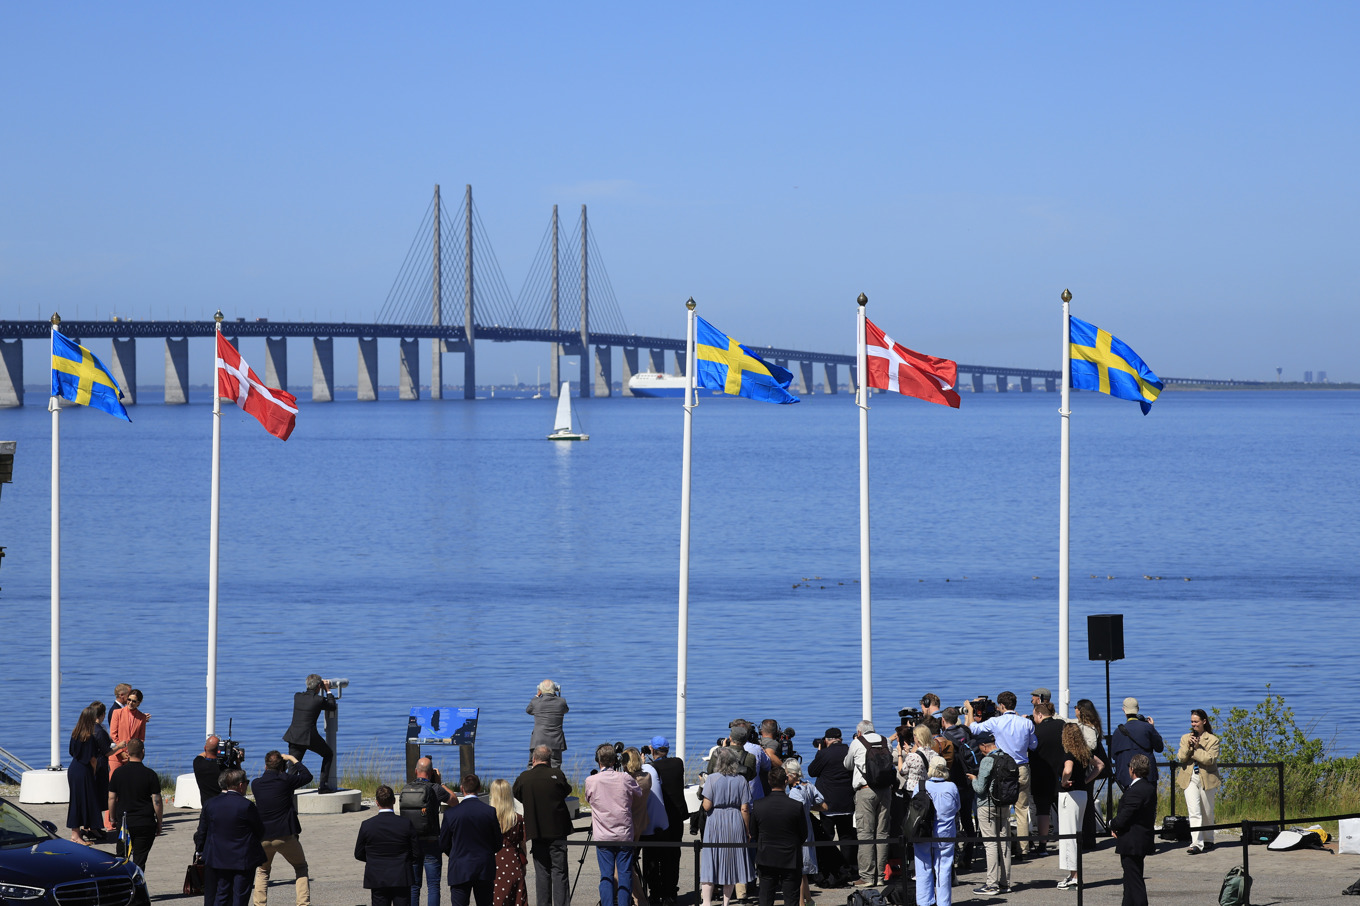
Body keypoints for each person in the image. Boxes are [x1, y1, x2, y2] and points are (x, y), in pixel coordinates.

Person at [966, 692, 1037, 856]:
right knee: (1022, 810)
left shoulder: (995, 722)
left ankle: (1003, 846)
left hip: (1002, 768)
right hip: (1022, 767)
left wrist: (970, 710)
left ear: (1002, 706)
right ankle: (1023, 848)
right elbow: (1034, 745)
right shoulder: (1026, 723)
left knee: (1002, 808)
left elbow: (973, 729)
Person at [194, 768, 267, 906]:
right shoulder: (246, 805)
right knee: (240, 896)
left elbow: (203, 830)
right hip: (242, 859)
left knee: (221, 894)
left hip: (219, 857)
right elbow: (260, 830)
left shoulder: (211, 804)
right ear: (240, 785)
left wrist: (199, 850)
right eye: (246, 782)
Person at [512, 746, 573, 906]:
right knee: (559, 872)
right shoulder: (557, 774)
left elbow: (516, 793)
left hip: (536, 830)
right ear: (549, 760)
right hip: (557, 831)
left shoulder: (524, 778)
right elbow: (566, 790)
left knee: (542, 873)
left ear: (533, 759)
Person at [251, 751, 313, 906]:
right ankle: (303, 904)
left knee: (263, 871)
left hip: (263, 836)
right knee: (300, 867)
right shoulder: (286, 780)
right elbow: (307, 776)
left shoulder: (256, 784)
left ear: (265, 766)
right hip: (285, 835)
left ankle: (259, 904)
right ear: (283, 767)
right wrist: (293, 759)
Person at [585, 744, 643, 906]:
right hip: (624, 833)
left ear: (598, 761)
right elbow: (638, 794)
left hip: (603, 834)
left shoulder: (591, 780)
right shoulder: (624, 778)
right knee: (625, 874)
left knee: (606, 875)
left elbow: (589, 799)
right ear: (615, 760)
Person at [700, 746, 754, 906]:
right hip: (735, 820)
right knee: (731, 862)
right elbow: (745, 808)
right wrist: (747, 829)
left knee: (711, 860)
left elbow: (707, 806)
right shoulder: (741, 780)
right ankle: (726, 902)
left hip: (716, 820)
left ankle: (707, 902)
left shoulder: (712, 778)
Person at [843, 719, 892, 887]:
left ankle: (866, 876)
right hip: (885, 791)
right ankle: (880, 876)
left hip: (866, 790)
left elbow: (847, 765)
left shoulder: (857, 743)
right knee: (882, 833)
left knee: (865, 833)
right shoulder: (886, 741)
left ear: (859, 732)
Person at [440, 775, 502, 906]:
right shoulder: (489, 812)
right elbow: (497, 842)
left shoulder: (451, 814)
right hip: (484, 866)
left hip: (460, 866)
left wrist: (455, 853)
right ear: (479, 788)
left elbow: (443, 844)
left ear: (462, 789)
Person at [1056, 721, 1103, 889]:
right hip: (1082, 794)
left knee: (1068, 836)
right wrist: (1086, 780)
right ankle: (1073, 874)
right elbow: (1100, 765)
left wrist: (1063, 781)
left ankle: (1075, 876)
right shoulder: (1084, 752)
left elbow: (1067, 769)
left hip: (1070, 795)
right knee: (1076, 833)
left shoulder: (1068, 753)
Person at [405, 758, 458, 906]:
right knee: (433, 886)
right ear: (431, 772)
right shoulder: (436, 788)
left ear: (416, 771)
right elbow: (454, 801)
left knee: (414, 886)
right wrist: (440, 783)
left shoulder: (407, 788)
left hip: (412, 842)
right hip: (432, 841)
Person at [750, 765, 805, 906]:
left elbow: (753, 832)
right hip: (790, 857)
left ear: (769, 782)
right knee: (791, 899)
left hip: (766, 856)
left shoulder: (758, 805)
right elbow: (803, 834)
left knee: (765, 898)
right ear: (785, 781)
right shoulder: (796, 806)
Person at [355, 785, 420, 906]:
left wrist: (373, 859)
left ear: (376, 802)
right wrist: (404, 859)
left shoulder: (367, 825)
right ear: (394, 801)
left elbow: (358, 853)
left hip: (377, 875)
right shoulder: (405, 823)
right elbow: (416, 852)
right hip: (401, 875)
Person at [67, 701, 121, 843]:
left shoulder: (75, 733)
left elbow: (71, 752)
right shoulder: (89, 736)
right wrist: (94, 771)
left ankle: (77, 833)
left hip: (74, 768)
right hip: (85, 770)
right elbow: (93, 759)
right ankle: (77, 835)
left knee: (77, 801)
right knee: (85, 800)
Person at [807, 728, 855, 883]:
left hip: (828, 804)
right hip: (847, 801)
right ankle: (849, 869)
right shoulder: (849, 750)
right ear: (840, 739)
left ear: (827, 740)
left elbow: (812, 771)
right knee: (847, 837)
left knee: (826, 837)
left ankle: (830, 869)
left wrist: (819, 752)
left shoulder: (824, 753)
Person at [106, 739, 162, 868]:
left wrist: (112, 818)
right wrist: (159, 822)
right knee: (140, 860)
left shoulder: (118, 773)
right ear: (143, 752)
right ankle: (137, 883)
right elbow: (157, 801)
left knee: (121, 858)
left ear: (127, 753)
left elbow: (112, 798)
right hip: (145, 822)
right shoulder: (150, 774)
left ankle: (123, 884)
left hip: (125, 822)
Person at [967, 732, 1011, 896]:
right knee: (1004, 843)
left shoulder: (987, 760)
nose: (980, 751)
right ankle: (1005, 883)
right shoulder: (1006, 757)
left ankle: (991, 884)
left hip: (987, 806)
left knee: (991, 844)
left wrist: (973, 779)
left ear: (984, 745)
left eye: (980, 747)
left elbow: (980, 788)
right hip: (1004, 805)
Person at [1109, 754, 1156, 906]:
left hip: (1132, 841)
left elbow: (1125, 815)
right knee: (1130, 879)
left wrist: (1112, 824)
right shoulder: (1148, 787)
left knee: (1134, 881)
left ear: (1132, 769)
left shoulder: (1136, 790)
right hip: (1140, 839)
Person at [645, 738, 687, 906]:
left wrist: (644, 763)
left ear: (651, 749)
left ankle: (655, 894)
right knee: (672, 856)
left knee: (652, 857)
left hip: (656, 818)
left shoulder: (651, 768)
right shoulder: (678, 763)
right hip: (675, 817)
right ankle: (670, 894)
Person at [914, 757, 960, 906]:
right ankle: (943, 902)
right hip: (945, 832)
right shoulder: (951, 787)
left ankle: (924, 901)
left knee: (923, 866)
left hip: (923, 832)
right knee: (943, 868)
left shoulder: (921, 785)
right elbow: (957, 807)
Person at [282, 675, 337, 792]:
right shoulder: (319, 700)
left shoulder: (297, 696)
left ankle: (288, 792)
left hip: (294, 736)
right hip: (309, 737)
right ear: (319, 686)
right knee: (328, 754)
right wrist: (328, 690)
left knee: (293, 766)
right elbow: (332, 706)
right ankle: (323, 785)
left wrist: (321, 687)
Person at [1176, 709, 1221, 854]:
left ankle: (1208, 839)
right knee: (1194, 811)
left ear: (1204, 722)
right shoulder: (1185, 738)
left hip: (1206, 778)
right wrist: (1189, 747)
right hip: (1189, 777)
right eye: (1192, 722)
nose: (1193, 724)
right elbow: (1181, 758)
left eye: (1196, 722)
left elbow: (1209, 759)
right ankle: (1196, 843)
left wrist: (1196, 749)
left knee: (1207, 811)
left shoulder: (1213, 740)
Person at [781, 759, 824, 906]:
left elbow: (793, 812)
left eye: (786, 774)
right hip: (808, 827)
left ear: (792, 775)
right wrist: (809, 808)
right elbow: (823, 804)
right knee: (803, 870)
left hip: (797, 831)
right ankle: (809, 899)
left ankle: (801, 902)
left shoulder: (794, 792)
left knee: (798, 870)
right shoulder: (809, 786)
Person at [939, 709, 978, 867]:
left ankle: (953, 857)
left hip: (953, 783)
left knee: (951, 821)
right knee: (968, 820)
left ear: (943, 720)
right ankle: (968, 857)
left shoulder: (945, 738)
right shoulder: (966, 732)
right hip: (968, 782)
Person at [1029, 702, 1065, 857]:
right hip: (1062, 773)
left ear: (1040, 715)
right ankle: (1068, 841)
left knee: (1043, 812)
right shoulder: (1062, 726)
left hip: (1041, 776)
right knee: (1064, 810)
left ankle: (1042, 846)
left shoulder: (1036, 732)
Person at [1109, 698, 1163, 793]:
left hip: (1127, 777)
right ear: (1137, 709)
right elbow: (1159, 747)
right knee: (1149, 805)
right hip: (1148, 776)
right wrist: (1152, 728)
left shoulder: (1118, 732)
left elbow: (1114, 756)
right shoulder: (1147, 728)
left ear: (1124, 710)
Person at [489, 779, 528, 906]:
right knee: (516, 899)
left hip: (493, 862)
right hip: (513, 862)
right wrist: (523, 865)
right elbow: (523, 845)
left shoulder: (488, 819)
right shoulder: (518, 819)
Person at [1074, 699, 1105, 850]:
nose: (1075, 710)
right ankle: (1086, 838)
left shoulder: (1089, 727)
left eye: (1076, 708)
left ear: (1081, 710)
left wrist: (1079, 747)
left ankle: (1088, 839)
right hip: (1087, 768)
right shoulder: (1086, 725)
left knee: (1086, 804)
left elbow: (1091, 745)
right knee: (1086, 803)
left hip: (1087, 768)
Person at [525, 681, 568, 769]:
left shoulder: (535, 702)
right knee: (555, 766)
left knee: (532, 765)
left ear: (540, 690)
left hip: (538, 740)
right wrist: (557, 695)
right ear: (554, 689)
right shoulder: (561, 701)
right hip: (556, 740)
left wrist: (537, 695)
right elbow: (565, 710)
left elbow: (528, 710)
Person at [109, 689, 149, 781]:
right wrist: (122, 752)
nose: (130, 703)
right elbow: (113, 735)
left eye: (134, 701)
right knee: (114, 782)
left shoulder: (142, 717)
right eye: (129, 700)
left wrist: (132, 754)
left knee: (129, 782)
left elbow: (141, 739)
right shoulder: (117, 713)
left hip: (132, 757)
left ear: (139, 703)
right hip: (116, 754)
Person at [197, 736, 227, 805]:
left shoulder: (197, 764)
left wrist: (209, 748)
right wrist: (238, 763)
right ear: (218, 750)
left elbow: (201, 755)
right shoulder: (226, 768)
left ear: (205, 748)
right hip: (224, 806)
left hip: (207, 807)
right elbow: (239, 778)